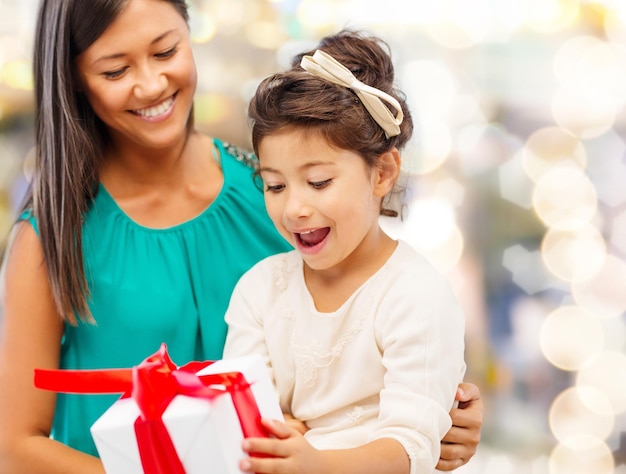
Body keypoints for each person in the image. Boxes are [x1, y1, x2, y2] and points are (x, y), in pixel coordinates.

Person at [0, 1, 482, 473]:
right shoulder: (49, 238)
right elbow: (14, 448)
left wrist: (446, 413)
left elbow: (369, 347)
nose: (150, 84)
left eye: (166, 52)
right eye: (114, 71)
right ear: (74, 81)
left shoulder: (277, 198)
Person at [222, 29, 468, 474]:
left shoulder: (415, 295)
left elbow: (411, 447)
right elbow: (241, 419)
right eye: (274, 185)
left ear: (382, 173)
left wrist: (315, 462)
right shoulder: (260, 290)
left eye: (319, 182)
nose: (294, 208)